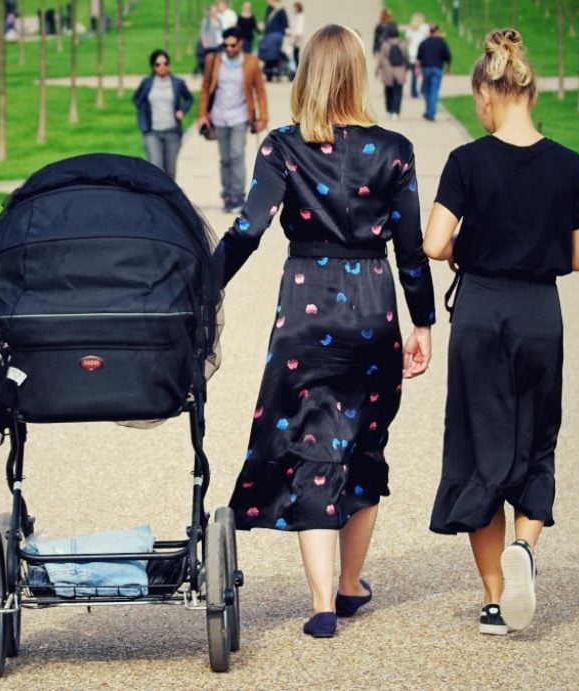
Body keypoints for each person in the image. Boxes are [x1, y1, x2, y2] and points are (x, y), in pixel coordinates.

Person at [218, 24, 436, 638]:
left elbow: (246, 232)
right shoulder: (395, 149)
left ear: (308, 75)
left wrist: (204, 289)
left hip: (306, 309)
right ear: (357, 75)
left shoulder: (282, 147)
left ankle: (319, 604)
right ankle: (348, 585)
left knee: (312, 442)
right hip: (372, 309)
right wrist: (424, 322)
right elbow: (411, 250)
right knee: (362, 443)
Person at [423, 29, 579, 636]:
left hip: (480, 312)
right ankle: (525, 545)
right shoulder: (570, 167)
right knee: (535, 438)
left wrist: (468, 246)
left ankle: (497, 598)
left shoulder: (467, 162)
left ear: (485, 93)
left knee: (479, 446)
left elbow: (434, 243)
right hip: (537, 315)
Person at [196, 27, 268, 213]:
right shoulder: (214, 61)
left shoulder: (251, 63)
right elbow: (205, 89)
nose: (228, 48)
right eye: (226, 44)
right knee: (225, 158)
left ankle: (238, 194)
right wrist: (202, 115)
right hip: (219, 116)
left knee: (237, 154)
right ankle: (227, 194)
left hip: (240, 116)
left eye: (232, 45)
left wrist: (262, 117)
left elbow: (259, 90)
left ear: (241, 43)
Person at [132, 49, 194, 180]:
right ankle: (156, 199)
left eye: (165, 63)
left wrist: (182, 110)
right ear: (152, 66)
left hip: (172, 132)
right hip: (152, 132)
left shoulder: (177, 83)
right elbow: (137, 99)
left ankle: (169, 199)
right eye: (158, 64)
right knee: (156, 168)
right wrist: (144, 113)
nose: (162, 67)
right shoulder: (147, 83)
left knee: (170, 170)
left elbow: (189, 98)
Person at [416, 24, 451, 121]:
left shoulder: (424, 43)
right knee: (434, 91)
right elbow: (448, 56)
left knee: (426, 90)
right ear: (437, 31)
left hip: (426, 69)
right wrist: (448, 67)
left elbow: (419, 57)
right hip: (437, 69)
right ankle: (431, 113)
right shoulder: (442, 43)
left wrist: (417, 68)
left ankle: (429, 112)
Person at [376, 27, 409, 119]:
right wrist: (406, 68)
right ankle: (396, 111)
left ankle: (389, 109)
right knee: (398, 91)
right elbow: (406, 57)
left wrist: (378, 69)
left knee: (388, 91)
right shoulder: (402, 44)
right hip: (400, 70)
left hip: (388, 71)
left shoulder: (385, 45)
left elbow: (381, 58)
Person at [404, 12, 429, 98]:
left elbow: (408, 42)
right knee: (424, 73)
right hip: (422, 54)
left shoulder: (410, 29)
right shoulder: (425, 27)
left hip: (412, 54)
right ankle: (422, 90)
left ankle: (413, 92)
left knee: (414, 75)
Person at [196, 4, 224, 75]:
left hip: (217, 44)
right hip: (209, 45)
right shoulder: (206, 20)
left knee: (216, 60)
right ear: (210, 12)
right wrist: (204, 42)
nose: (214, 12)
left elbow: (221, 31)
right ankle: (206, 73)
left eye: (215, 10)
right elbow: (202, 32)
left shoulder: (219, 20)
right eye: (213, 10)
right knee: (208, 60)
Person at [289, 2, 305, 68]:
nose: (293, 9)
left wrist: (292, 34)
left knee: (296, 55)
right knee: (295, 55)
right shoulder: (296, 17)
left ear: (297, 8)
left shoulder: (300, 17)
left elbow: (299, 30)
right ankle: (296, 69)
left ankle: (297, 69)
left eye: (294, 8)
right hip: (295, 37)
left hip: (297, 38)